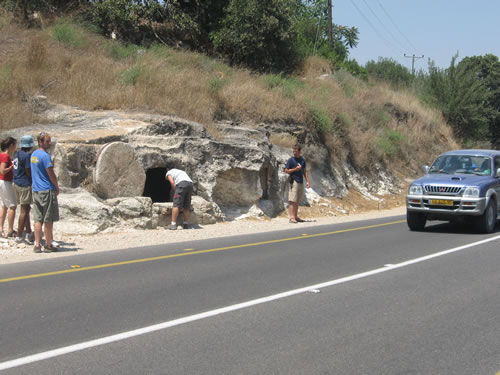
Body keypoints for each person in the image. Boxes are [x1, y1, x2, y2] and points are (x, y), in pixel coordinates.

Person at [31, 132, 60, 253]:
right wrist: (56, 186)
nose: (49, 143)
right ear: (40, 142)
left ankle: (37, 245)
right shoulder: (45, 156)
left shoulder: (33, 155)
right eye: (47, 141)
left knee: (38, 219)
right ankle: (48, 244)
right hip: (46, 190)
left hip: (36, 190)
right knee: (48, 219)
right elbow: (51, 174)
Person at [13, 135, 35, 244]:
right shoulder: (26, 156)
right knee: (24, 211)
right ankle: (19, 235)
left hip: (16, 182)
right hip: (24, 184)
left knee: (26, 209)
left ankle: (29, 231)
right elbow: (28, 172)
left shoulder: (16, 154)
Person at [284, 144, 310, 223]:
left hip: (300, 181)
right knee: (292, 200)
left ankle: (295, 216)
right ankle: (291, 217)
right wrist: (295, 169)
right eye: (293, 151)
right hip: (293, 181)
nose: (294, 153)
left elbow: (304, 171)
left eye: (296, 151)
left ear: (299, 151)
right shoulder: (291, 160)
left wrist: (308, 181)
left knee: (298, 200)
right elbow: (286, 170)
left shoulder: (302, 160)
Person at [0, 137, 18, 237]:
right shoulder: (5, 156)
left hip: (2, 182)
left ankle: (1, 228)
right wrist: (11, 167)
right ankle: (10, 230)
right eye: (14, 145)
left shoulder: (1, 155)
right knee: (13, 206)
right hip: (5, 182)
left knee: (4, 205)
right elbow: (2, 170)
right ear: (11, 145)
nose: (15, 147)